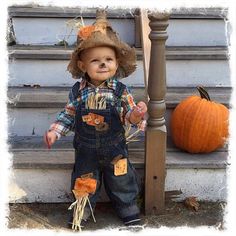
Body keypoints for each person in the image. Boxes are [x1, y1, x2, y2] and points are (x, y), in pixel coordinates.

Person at [45, 9, 147, 227]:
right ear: (83, 66)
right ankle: (82, 209)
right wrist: (55, 131)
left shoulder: (120, 90)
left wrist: (136, 114)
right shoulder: (78, 92)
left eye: (108, 59)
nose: (103, 64)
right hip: (86, 149)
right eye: (96, 60)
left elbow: (128, 115)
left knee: (122, 179)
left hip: (115, 147)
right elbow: (69, 114)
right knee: (84, 180)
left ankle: (128, 207)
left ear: (116, 64)